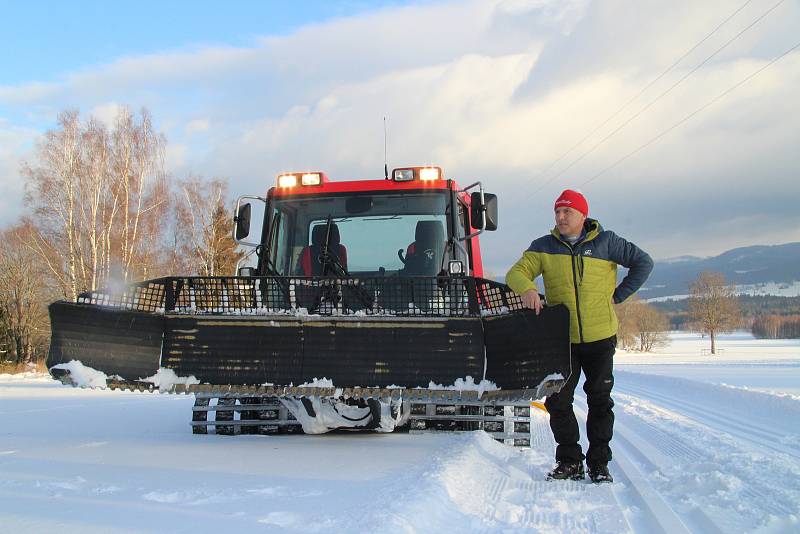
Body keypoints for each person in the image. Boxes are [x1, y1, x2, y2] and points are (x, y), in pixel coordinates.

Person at [506, 189, 653, 483]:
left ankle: (599, 464)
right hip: (563, 339)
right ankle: (570, 461)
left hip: (601, 337)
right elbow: (516, 273)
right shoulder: (544, 246)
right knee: (558, 401)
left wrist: (619, 295)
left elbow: (644, 263)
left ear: (582, 215)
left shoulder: (607, 242)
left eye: (567, 212)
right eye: (557, 212)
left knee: (599, 400)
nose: (560, 217)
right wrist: (528, 289)